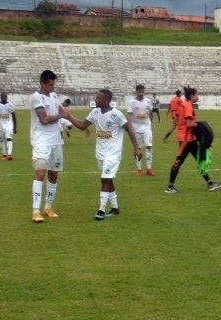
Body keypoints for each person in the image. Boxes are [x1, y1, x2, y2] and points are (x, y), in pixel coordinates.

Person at [64, 89, 141, 220]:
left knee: (105, 179)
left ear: (106, 100)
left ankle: (101, 210)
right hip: (100, 152)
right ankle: (115, 208)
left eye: (99, 97)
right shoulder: (95, 112)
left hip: (113, 153)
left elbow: (130, 129)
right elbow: (83, 125)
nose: (96, 99)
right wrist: (69, 116)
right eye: (96, 96)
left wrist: (136, 148)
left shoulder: (116, 114)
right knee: (107, 179)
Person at [29, 70, 70, 222]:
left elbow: (62, 112)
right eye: (51, 85)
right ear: (43, 83)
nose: (53, 87)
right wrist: (62, 115)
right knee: (40, 173)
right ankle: (35, 211)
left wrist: (69, 122)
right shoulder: (36, 97)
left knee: (54, 174)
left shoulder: (53, 96)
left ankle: (48, 207)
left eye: (54, 84)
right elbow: (44, 119)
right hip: (41, 141)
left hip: (56, 141)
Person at [165, 86, 221, 193]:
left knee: (200, 159)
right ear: (192, 96)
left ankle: (210, 183)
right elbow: (189, 124)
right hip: (186, 140)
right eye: (196, 94)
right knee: (178, 162)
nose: (197, 96)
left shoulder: (183, 104)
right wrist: (203, 124)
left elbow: (176, 119)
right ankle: (170, 187)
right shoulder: (187, 105)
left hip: (190, 139)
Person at [127, 84, 155, 176]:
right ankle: (139, 169)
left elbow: (151, 113)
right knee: (137, 148)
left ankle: (149, 169)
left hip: (147, 127)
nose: (141, 93)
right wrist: (130, 127)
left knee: (149, 146)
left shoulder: (148, 101)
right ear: (136, 92)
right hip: (136, 128)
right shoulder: (132, 102)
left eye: (142, 91)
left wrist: (150, 124)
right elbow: (129, 115)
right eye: (139, 91)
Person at [0, 92, 16, 160]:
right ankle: (4, 154)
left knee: (9, 138)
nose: (4, 98)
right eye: (2, 96)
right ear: (0, 97)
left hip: (9, 124)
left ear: (7, 97)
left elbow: (14, 116)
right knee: (1, 139)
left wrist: (15, 127)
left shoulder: (10, 105)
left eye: (5, 96)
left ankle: (9, 154)